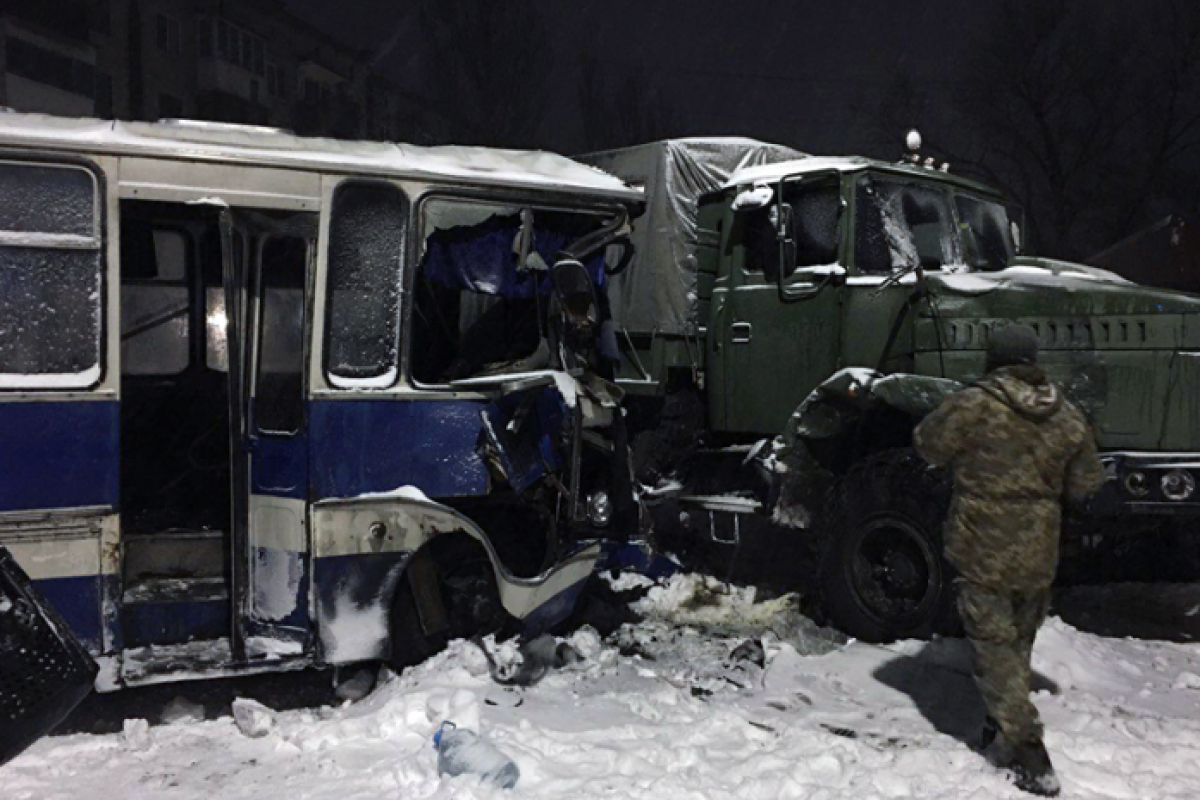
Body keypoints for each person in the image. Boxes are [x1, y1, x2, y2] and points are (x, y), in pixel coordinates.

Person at [913, 323, 1106, 797]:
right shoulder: (1065, 414)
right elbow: (1086, 483)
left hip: (983, 549)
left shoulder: (974, 404)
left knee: (994, 650)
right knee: (1017, 646)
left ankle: (1030, 750)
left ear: (993, 359)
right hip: (1039, 551)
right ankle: (1001, 731)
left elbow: (928, 444)